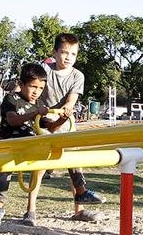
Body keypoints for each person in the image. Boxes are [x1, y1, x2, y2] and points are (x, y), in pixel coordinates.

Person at [38, 33, 105, 220]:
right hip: (44, 123)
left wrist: (68, 107)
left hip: (65, 123)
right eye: (64, 53)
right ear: (55, 52)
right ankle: (31, 210)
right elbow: (32, 85)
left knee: (74, 162)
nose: (68, 57)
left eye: (73, 54)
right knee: (40, 169)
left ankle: (79, 209)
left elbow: (72, 98)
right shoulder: (45, 69)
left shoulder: (77, 75)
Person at [0, 63, 50, 231]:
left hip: (29, 145)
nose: (36, 91)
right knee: (4, 172)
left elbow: (50, 126)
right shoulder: (11, 99)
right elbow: (13, 119)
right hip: (10, 145)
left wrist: (63, 117)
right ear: (21, 85)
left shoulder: (39, 104)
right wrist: (36, 113)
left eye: (41, 88)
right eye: (33, 87)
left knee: (41, 167)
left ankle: (31, 210)